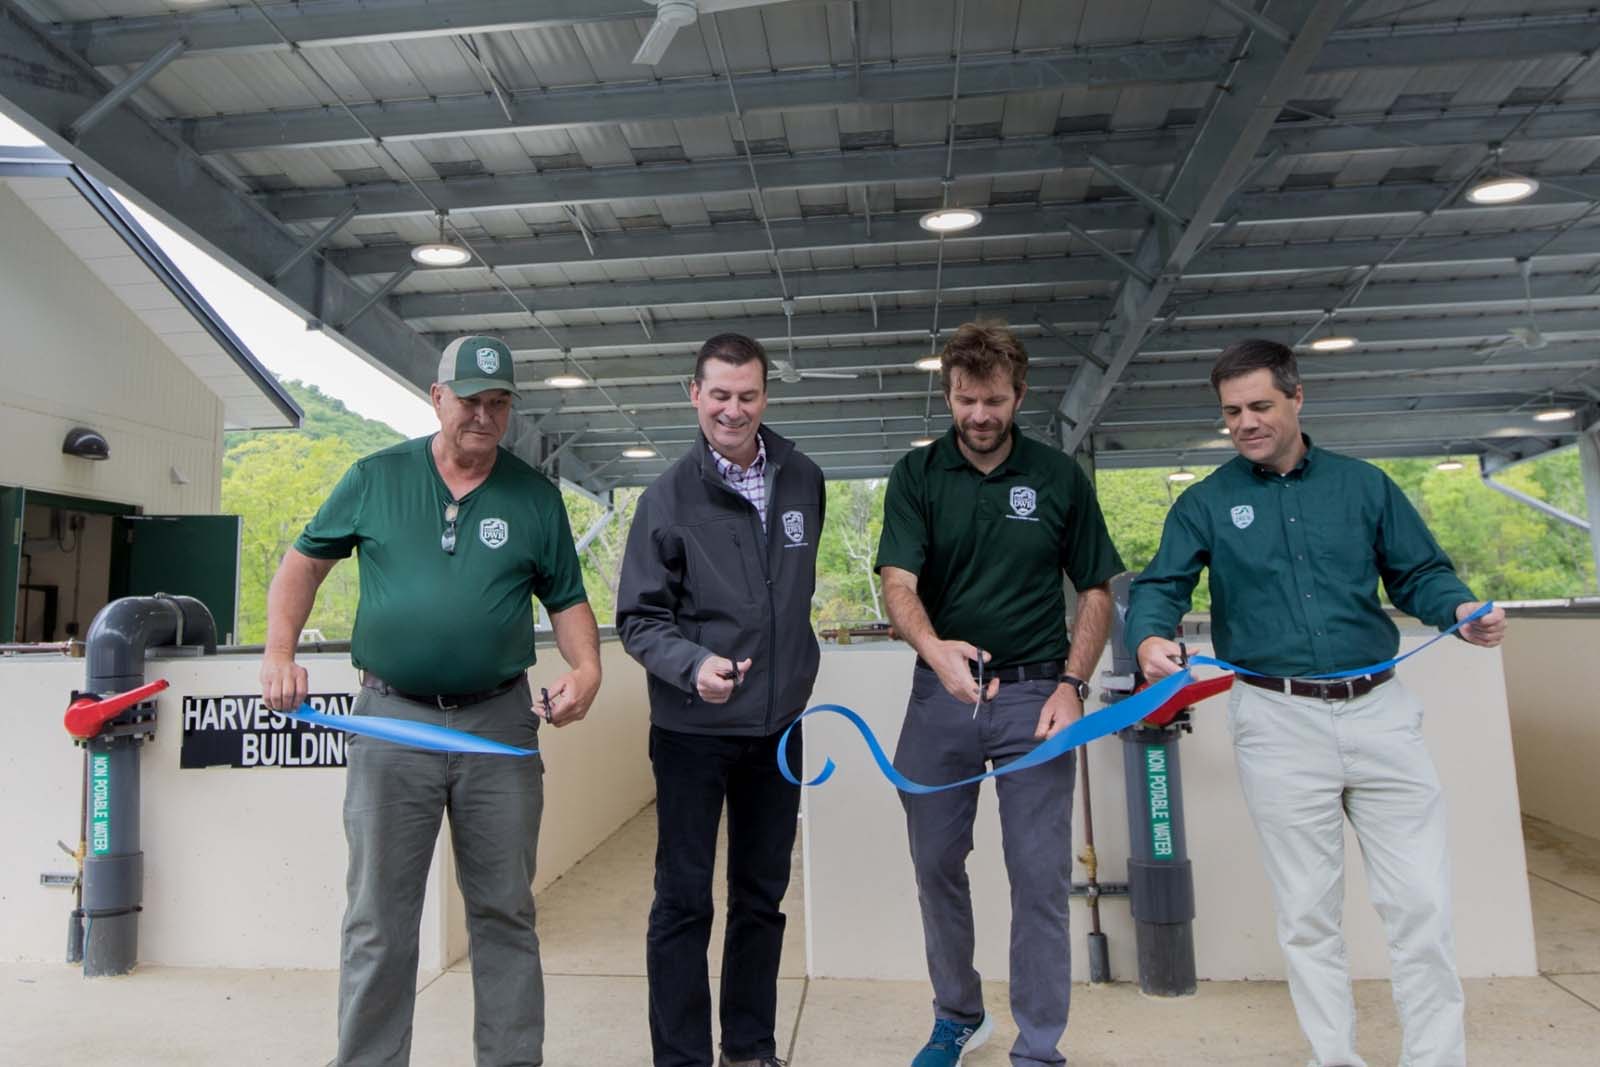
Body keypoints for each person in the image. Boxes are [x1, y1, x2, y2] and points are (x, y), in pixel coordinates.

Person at [1125, 338, 1506, 1067]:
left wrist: (1459, 610)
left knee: (1421, 907)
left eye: (1260, 405)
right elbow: (1159, 587)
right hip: (1277, 719)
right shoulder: (1206, 501)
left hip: (1381, 712)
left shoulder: (1365, 486)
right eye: (1231, 411)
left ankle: (1437, 1058)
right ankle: (1334, 1057)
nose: (1245, 422)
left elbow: (1421, 573)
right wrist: (1149, 640)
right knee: (1307, 913)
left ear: (1298, 398)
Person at [258, 334, 602, 1067]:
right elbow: (301, 566)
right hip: (393, 719)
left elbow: (569, 602)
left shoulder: (535, 497)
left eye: (499, 401)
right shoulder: (375, 477)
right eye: (469, 399)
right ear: (436, 396)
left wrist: (588, 667)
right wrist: (279, 653)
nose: (483, 414)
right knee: (379, 919)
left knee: (505, 911)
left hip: (498, 723)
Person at [874, 321, 1124, 1067]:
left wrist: (1073, 685)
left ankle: (1040, 1047)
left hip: (1035, 697)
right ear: (947, 391)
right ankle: (958, 1014)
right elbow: (898, 582)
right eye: (963, 399)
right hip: (941, 695)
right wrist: (934, 649)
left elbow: (1097, 590)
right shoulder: (917, 475)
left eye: (991, 400)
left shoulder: (1057, 476)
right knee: (934, 864)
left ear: (1019, 394)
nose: (977, 415)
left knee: (1038, 875)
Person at [616, 333, 825, 1067]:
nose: (732, 410)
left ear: (765, 396)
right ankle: (681, 1058)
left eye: (747, 395)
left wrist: (794, 676)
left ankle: (749, 1047)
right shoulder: (666, 496)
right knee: (683, 902)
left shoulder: (803, 478)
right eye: (719, 394)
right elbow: (638, 619)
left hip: (779, 728)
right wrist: (692, 663)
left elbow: (792, 597)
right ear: (694, 393)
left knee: (761, 898)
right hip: (691, 731)